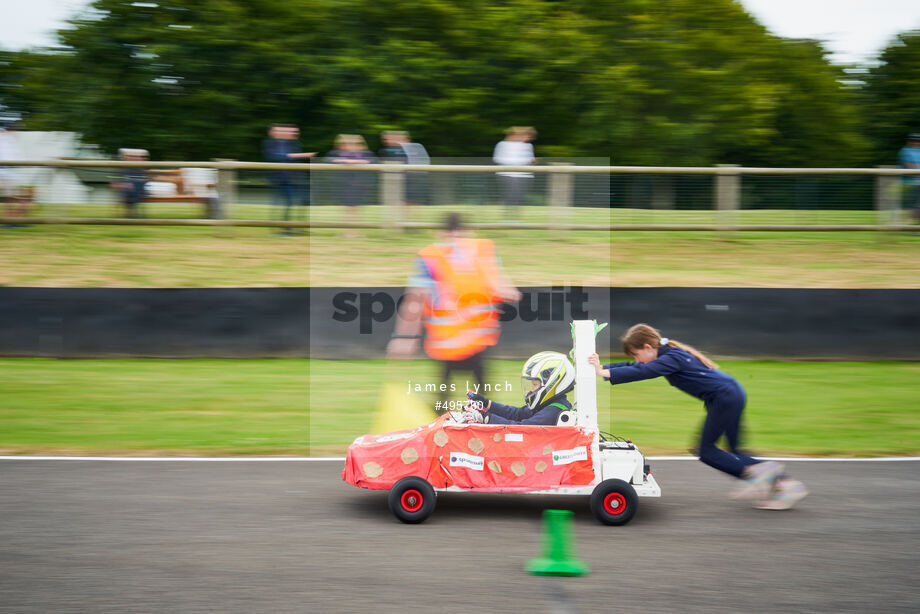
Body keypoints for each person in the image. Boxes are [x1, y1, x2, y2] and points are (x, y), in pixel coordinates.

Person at [587, 323, 809, 511]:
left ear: (647, 347)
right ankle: (785, 486)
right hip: (730, 394)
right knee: (737, 452)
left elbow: (643, 372)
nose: (638, 360)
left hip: (725, 398)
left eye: (637, 354)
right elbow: (635, 367)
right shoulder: (666, 354)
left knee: (706, 451)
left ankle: (762, 472)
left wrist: (605, 373)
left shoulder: (671, 357)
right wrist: (602, 367)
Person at [387, 212, 521, 400]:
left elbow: (414, 301)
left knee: (445, 401)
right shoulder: (479, 251)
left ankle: (445, 423)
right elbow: (501, 284)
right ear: (467, 231)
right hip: (474, 342)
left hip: (450, 343)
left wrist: (404, 337)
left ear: (441, 232)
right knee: (482, 404)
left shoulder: (431, 257)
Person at [456, 351, 575, 425]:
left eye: (535, 385)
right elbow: (517, 414)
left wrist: (486, 418)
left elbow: (522, 428)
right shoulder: (550, 404)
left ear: (553, 383)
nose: (531, 390)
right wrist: (487, 404)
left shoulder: (553, 411)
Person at [262, 124, 316, 233]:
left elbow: (296, 160)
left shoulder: (293, 143)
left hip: (295, 178)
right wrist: (294, 156)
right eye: (276, 130)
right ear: (271, 132)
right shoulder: (268, 143)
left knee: (304, 200)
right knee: (288, 201)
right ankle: (285, 228)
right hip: (279, 179)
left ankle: (299, 226)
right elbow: (274, 157)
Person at [324, 134, 376, 231]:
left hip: (359, 183)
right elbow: (327, 159)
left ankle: (356, 230)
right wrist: (344, 161)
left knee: (356, 207)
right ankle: (346, 230)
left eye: (356, 143)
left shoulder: (366, 153)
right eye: (344, 143)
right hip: (342, 183)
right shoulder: (336, 153)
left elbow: (373, 160)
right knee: (346, 207)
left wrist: (360, 162)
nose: (349, 145)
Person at [493, 126, 536, 217]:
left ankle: (515, 216)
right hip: (507, 174)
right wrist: (523, 161)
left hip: (524, 176)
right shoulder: (502, 144)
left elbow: (529, 158)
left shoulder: (528, 146)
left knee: (519, 197)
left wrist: (529, 161)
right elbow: (498, 159)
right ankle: (508, 216)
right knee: (509, 196)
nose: (528, 139)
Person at [110, 148, 149, 218]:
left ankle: (130, 211)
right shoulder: (120, 167)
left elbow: (145, 179)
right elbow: (114, 181)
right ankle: (132, 210)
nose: (134, 159)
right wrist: (122, 184)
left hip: (138, 189)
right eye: (129, 156)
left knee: (136, 184)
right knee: (131, 185)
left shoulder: (141, 168)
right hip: (126, 189)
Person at [897, 132, 920, 223]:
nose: (916, 143)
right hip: (908, 184)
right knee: (908, 207)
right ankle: (904, 226)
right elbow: (910, 167)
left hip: (917, 184)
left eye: (918, 141)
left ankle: (913, 226)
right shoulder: (905, 151)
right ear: (909, 141)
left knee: (915, 207)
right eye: (914, 141)